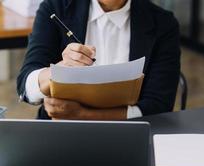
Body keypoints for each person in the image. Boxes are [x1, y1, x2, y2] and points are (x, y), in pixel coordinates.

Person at [17, 0, 180, 120]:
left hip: (130, 135)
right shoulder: (55, 8)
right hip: (58, 133)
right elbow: (25, 86)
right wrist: (58, 71)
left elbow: (159, 106)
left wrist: (82, 115)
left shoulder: (163, 23)